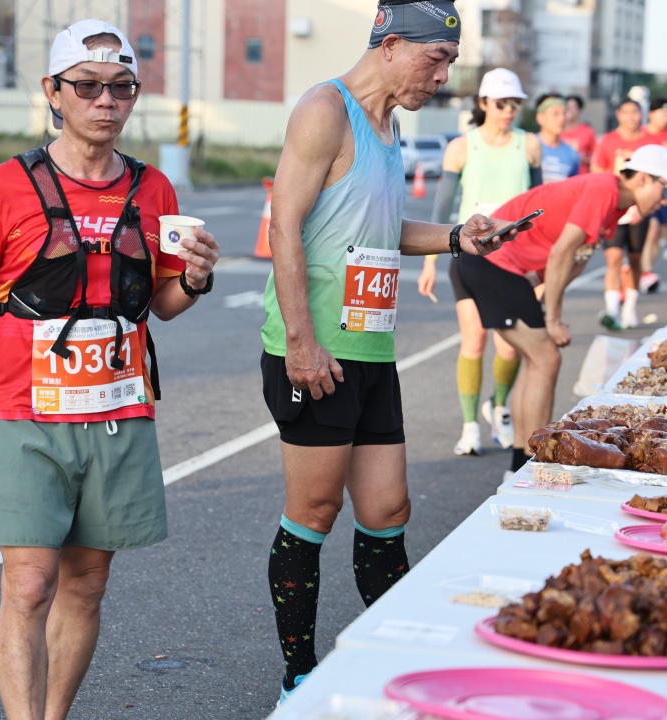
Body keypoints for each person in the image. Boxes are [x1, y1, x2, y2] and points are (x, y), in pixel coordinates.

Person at [0, 19, 219, 719]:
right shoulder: (3, 186)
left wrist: (195, 279)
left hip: (118, 411)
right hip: (27, 412)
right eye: (87, 86)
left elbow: (163, 305)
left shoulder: (154, 189)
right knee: (28, 586)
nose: (106, 101)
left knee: (85, 585)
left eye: (121, 88)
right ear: (53, 91)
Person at [259, 1, 523, 703]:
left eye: (450, 63)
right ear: (392, 44)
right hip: (315, 351)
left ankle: (391, 662)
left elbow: (379, 224)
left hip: (372, 349)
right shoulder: (326, 109)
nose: (442, 78)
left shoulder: (389, 123)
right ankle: (298, 677)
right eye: (436, 60)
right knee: (314, 511)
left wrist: (459, 238)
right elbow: (284, 225)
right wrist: (301, 341)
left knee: (388, 510)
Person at [454, 145, 667, 476]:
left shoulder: (614, 206)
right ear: (642, 179)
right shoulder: (603, 190)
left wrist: (547, 307)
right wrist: (552, 319)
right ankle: (532, 465)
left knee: (537, 359)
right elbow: (561, 253)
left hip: (502, 269)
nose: (666, 200)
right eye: (665, 189)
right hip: (493, 263)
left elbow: (574, 260)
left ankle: (521, 465)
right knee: (546, 358)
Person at [419, 68, 542, 456]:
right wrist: (429, 263)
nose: (509, 110)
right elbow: (442, 208)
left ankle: (500, 408)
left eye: (515, 104)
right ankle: (470, 425)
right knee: (473, 339)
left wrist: (541, 265)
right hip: (469, 255)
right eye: (502, 103)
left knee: (510, 347)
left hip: (515, 257)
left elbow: (540, 206)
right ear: (483, 103)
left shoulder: (530, 144)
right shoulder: (461, 147)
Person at [591, 98, 649, 329]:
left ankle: (630, 307)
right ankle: (612, 309)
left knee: (635, 259)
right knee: (613, 257)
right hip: (615, 208)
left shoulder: (649, 142)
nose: (631, 117)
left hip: (639, 210)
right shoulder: (607, 140)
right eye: (626, 112)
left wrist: (643, 206)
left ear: (641, 114)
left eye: (635, 112)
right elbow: (597, 171)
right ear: (618, 115)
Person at [640, 97, 667, 291]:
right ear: (651, 114)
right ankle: (645, 271)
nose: (665, 117)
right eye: (662, 113)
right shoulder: (642, 134)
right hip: (646, 191)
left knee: (656, 233)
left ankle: (647, 269)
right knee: (652, 228)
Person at [535, 94, 581, 183]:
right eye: (555, 114)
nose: (562, 118)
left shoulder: (572, 154)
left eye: (564, 113)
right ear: (540, 117)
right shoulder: (527, 146)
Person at [561, 95, 597, 174]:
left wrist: (585, 159)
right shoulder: (556, 131)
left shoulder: (587, 131)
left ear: (579, 110)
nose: (569, 110)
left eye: (572, 107)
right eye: (567, 107)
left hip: (581, 176)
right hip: (560, 177)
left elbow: (596, 158)